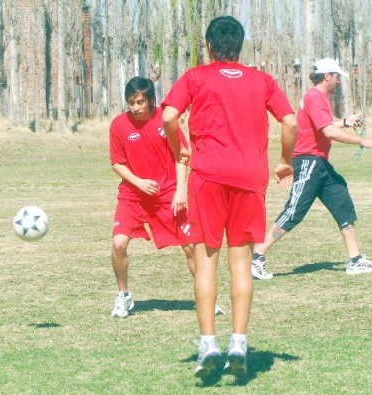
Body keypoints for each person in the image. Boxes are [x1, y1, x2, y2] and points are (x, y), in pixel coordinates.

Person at [162, 16, 297, 378]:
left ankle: (209, 344)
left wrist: (181, 148)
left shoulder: (195, 77)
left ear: (209, 46)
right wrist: (285, 160)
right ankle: (238, 342)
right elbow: (291, 122)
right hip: (250, 178)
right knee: (242, 263)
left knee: (206, 263)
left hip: (207, 177)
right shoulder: (262, 81)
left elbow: (170, 116)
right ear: (240, 46)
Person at [109, 76, 223, 319]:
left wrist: (181, 190)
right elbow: (117, 163)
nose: (136, 107)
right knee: (118, 244)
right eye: (131, 102)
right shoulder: (118, 125)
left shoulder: (165, 119)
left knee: (191, 247)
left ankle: (206, 298)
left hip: (167, 194)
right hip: (132, 195)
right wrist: (139, 182)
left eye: (140, 102)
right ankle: (123, 296)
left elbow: (181, 155)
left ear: (151, 100)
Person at [251, 58, 372, 280]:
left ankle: (355, 260)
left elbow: (324, 124)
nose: (337, 81)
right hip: (308, 162)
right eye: (336, 77)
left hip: (320, 164)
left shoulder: (316, 97)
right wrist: (363, 141)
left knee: (342, 199)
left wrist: (345, 122)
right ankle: (257, 256)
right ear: (327, 76)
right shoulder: (316, 98)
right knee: (294, 211)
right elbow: (328, 132)